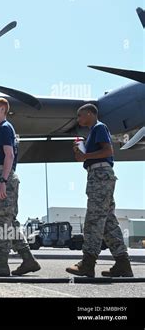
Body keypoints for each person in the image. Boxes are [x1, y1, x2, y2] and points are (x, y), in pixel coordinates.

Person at [66, 103, 133, 277]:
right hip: (98, 175)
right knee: (108, 223)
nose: (78, 119)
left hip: (100, 176)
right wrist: (82, 154)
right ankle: (123, 264)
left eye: (80, 115)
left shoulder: (99, 127)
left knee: (94, 220)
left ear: (90, 113)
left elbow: (108, 151)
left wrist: (85, 155)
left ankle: (88, 264)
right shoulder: (93, 133)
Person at [0, 97, 40, 277]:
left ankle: (1, 263)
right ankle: (28, 259)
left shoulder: (5, 128)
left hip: (3, 175)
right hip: (4, 175)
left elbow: (9, 156)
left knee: (0, 221)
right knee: (10, 222)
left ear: (2, 109)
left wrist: (3, 182)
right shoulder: (4, 129)